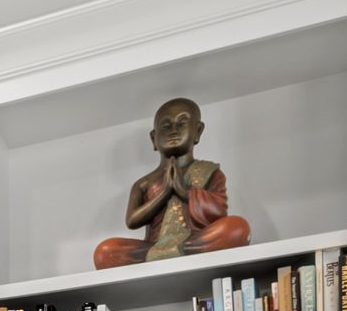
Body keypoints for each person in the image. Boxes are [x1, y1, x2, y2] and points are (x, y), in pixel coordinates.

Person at [92, 98, 250, 269]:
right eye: (166, 126)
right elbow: (132, 220)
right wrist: (164, 193)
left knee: (237, 228)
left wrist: (185, 192)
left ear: (198, 131)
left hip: (194, 240)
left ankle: (180, 249)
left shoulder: (210, 171)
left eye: (182, 122)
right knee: (104, 252)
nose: (173, 131)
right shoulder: (143, 183)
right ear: (154, 138)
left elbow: (219, 210)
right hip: (152, 246)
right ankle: (168, 253)